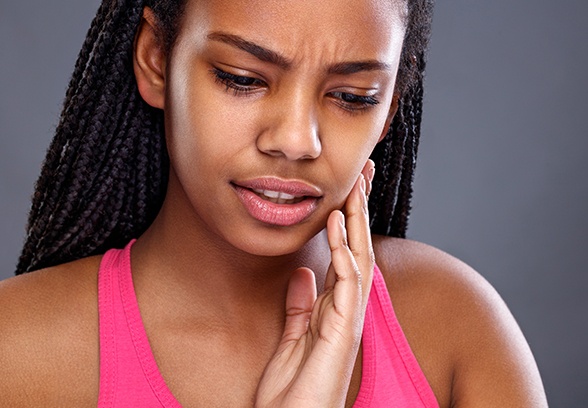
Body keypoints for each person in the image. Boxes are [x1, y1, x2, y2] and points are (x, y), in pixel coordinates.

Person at [0, 0, 548, 406]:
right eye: (242, 79)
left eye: (352, 97)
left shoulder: (456, 329)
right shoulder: (17, 353)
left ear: (389, 110)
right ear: (156, 60)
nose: (296, 140)